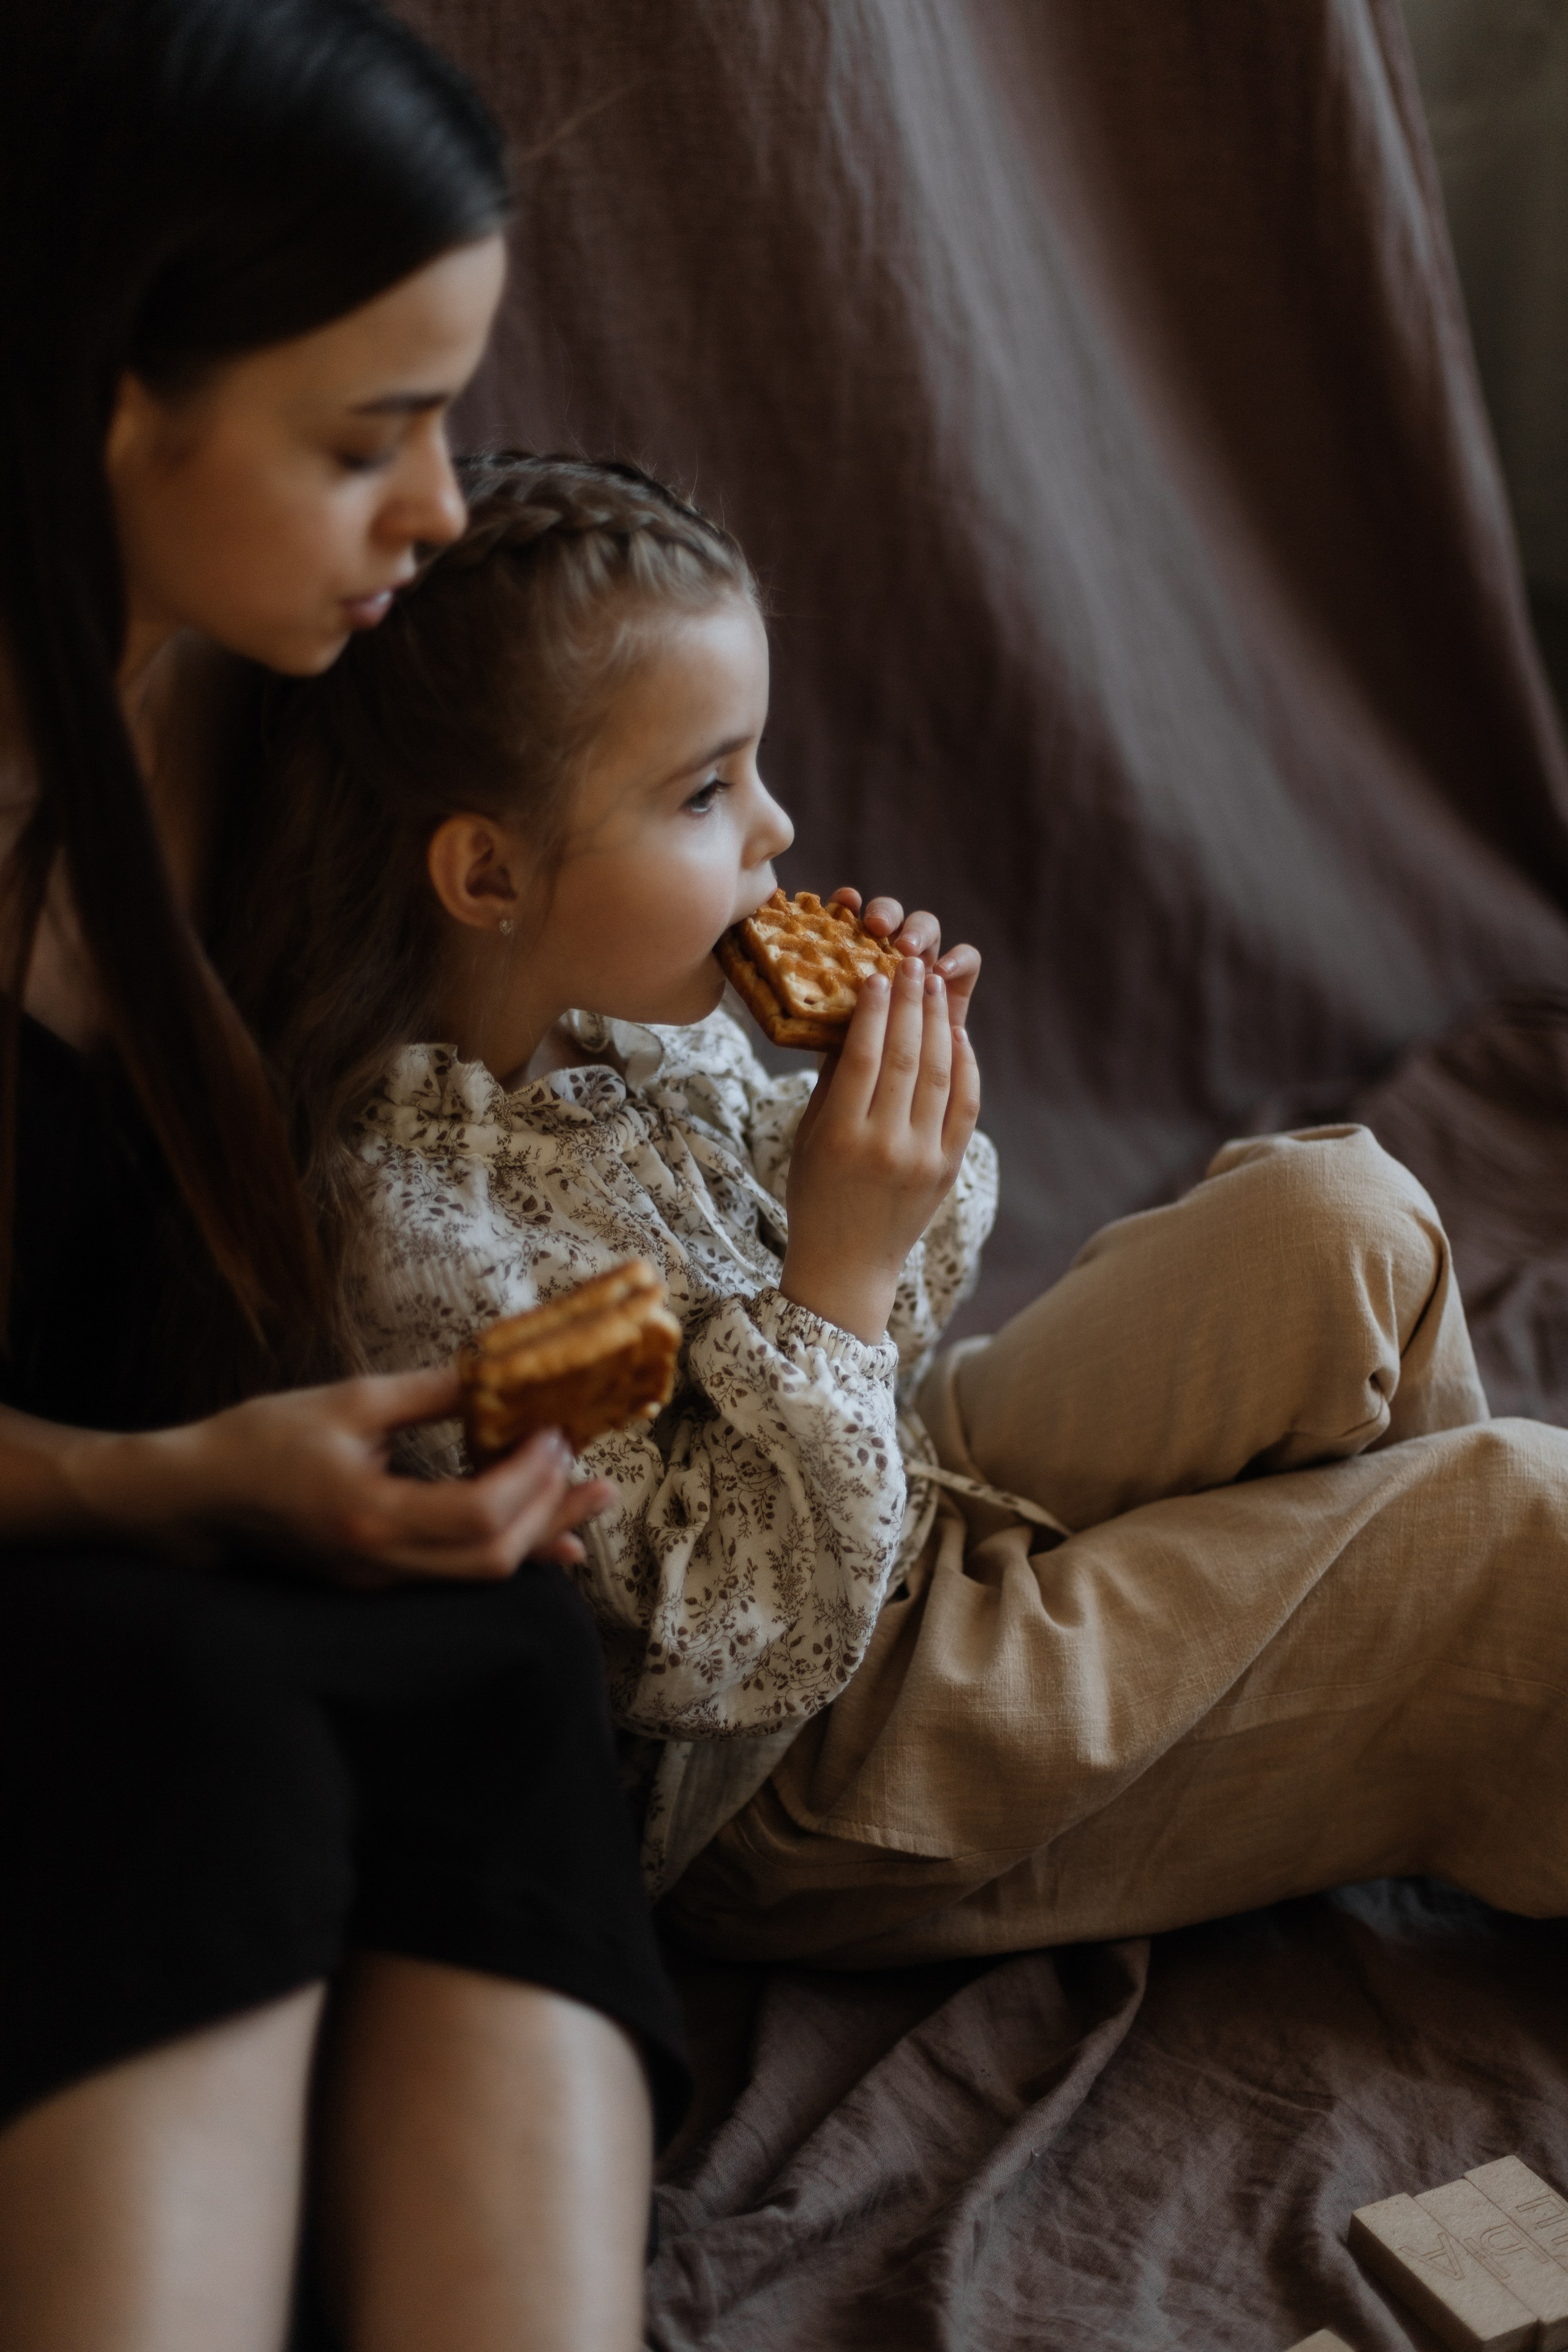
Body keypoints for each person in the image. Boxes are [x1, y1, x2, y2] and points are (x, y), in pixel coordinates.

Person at [225, 450, 1568, 1984]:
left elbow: (894, 1320)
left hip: (898, 1477)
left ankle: (1373, 1704)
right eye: (706, 789)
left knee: (1342, 1221)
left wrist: (898, 1130)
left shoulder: (629, 1030)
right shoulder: (429, 1244)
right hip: (794, 1764)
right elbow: (716, 1646)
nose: (776, 831)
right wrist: (840, 1267)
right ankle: (1416, 1651)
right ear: (487, 873)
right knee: (1510, 1528)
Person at [0, 15, 684, 2352]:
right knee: (187, 1705)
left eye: (450, 417)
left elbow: (535, 928)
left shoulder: (278, 686)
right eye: (364, 437)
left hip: (180, 1523)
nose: (439, 507)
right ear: (107, 411)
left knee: (495, 1651)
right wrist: (163, 1483)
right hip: (78, 1576)